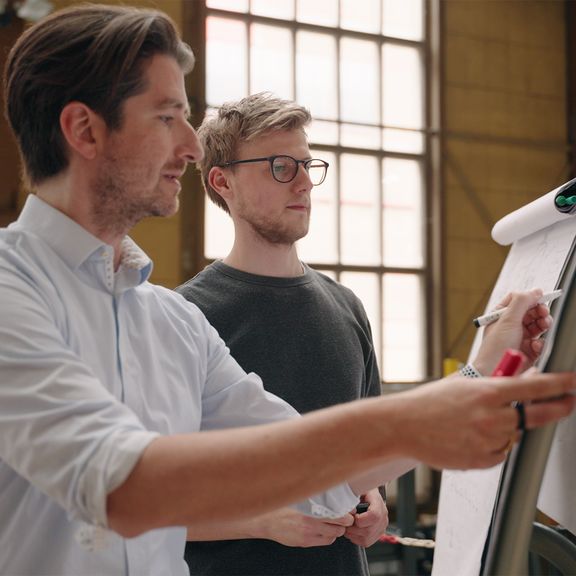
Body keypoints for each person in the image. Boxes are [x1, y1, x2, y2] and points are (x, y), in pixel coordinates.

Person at [0, 5, 574, 576]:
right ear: (84, 130)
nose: (193, 147)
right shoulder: (11, 290)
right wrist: (413, 417)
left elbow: (324, 474)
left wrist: (482, 369)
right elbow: (124, 487)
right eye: (166, 116)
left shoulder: (171, 324)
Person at [176, 93, 388, 576]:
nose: (304, 183)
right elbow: (142, 498)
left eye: (307, 165)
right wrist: (260, 521)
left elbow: (367, 448)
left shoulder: (346, 308)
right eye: (279, 166)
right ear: (222, 180)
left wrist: (371, 497)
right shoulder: (185, 316)